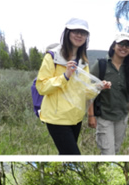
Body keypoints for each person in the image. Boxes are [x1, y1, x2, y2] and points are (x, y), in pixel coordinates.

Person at [36, 18, 110, 154]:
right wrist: (65, 76)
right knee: (73, 155)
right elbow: (41, 87)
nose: (79, 35)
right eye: (75, 31)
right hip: (57, 118)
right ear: (67, 33)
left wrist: (99, 87)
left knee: (65, 155)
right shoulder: (52, 56)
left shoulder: (83, 61)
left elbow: (84, 92)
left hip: (76, 118)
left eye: (83, 33)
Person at [88, 32, 129, 154]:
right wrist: (91, 116)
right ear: (113, 46)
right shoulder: (101, 65)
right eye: (121, 44)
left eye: (127, 45)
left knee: (115, 150)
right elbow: (88, 90)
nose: (124, 48)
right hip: (104, 116)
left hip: (121, 117)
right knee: (108, 153)